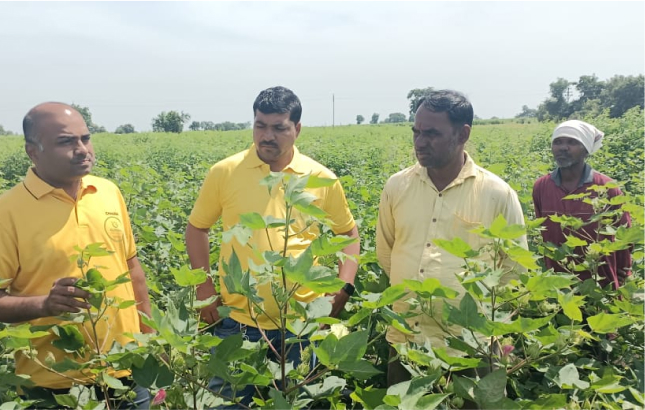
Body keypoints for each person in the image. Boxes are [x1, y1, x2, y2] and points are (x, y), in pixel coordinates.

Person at [185, 86, 360, 405]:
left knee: (299, 402)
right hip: (237, 320)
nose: (267, 136)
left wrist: (343, 287)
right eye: (260, 125)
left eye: (278, 127)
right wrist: (204, 289)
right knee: (228, 402)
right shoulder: (225, 172)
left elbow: (347, 233)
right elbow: (197, 228)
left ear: (297, 129)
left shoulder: (320, 178)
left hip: (303, 323)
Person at [0, 102, 152, 408]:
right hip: (54, 384)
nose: (82, 149)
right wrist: (44, 304)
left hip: (128, 369)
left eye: (85, 138)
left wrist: (150, 341)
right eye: (66, 142)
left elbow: (131, 269)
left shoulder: (108, 192)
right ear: (33, 152)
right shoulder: (8, 212)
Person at [376, 89, 527, 387]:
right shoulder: (397, 186)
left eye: (431, 133)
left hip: (469, 346)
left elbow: (515, 269)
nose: (420, 142)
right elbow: (387, 251)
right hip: (407, 339)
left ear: (463, 134)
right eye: (416, 132)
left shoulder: (497, 194)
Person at [532, 120, 631, 290]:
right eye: (558, 142)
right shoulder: (541, 186)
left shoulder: (607, 188)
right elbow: (541, 231)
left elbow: (624, 233)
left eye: (572, 142)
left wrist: (625, 270)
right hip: (557, 285)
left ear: (586, 149)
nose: (563, 147)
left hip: (600, 284)